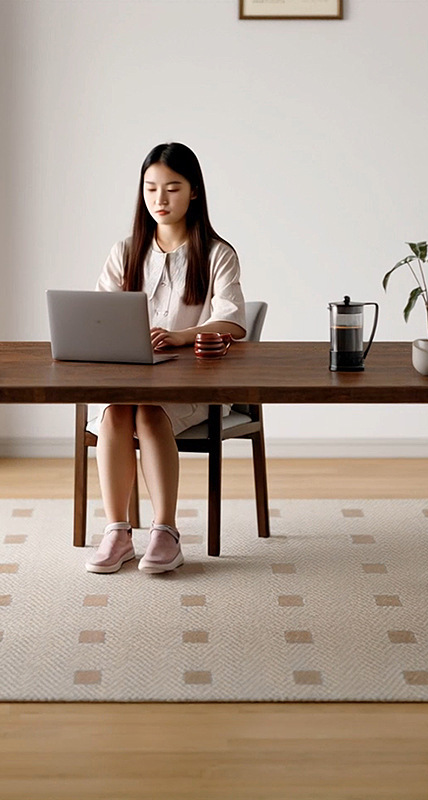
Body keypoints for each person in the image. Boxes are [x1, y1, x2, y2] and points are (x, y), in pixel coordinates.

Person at [86, 142, 246, 575]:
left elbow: (231, 324)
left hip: (190, 388)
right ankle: (117, 532)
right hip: (128, 382)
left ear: (194, 192)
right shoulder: (125, 252)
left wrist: (181, 336)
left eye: (172, 188)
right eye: (151, 188)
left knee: (148, 412)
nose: (160, 199)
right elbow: (98, 318)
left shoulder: (217, 254)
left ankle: (165, 532)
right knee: (118, 412)